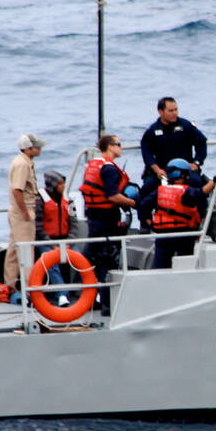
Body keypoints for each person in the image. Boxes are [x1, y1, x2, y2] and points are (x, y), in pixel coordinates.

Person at [80, 134, 136, 314]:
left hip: (93, 217)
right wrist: (134, 203)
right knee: (108, 259)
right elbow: (113, 196)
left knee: (91, 257)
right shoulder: (109, 168)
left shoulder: (93, 164)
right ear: (110, 147)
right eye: (119, 144)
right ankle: (106, 303)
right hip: (106, 218)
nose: (121, 147)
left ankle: (87, 298)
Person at [151, 159, 216, 269]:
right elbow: (201, 193)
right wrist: (214, 181)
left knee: (161, 265)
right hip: (184, 234)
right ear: (185, 175)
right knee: (186, 262)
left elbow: (143, 206)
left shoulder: (159, 191)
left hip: (162, 235)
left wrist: (150, 224)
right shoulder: (186, 191)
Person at [139, 96, 209, 204]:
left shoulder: (186, 125)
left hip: (186, 170)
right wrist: (157, 169)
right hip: (163, 171)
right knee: (147, 188)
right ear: (161, 112)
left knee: (197, 184)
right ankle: (146, 219)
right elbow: (146, 152)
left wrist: (197, 162)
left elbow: (201, 142)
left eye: (176, 110)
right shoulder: (152, 131)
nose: (175, 113)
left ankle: (200, 217)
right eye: (171, 111)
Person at [4, 132, 44, 288]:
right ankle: (30, 288)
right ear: (28, 149)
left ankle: (9, 285)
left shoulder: (23, 161)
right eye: (36, 147)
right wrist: (25, 213)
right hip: (23, 211)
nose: (40, 149)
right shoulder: (22, 164)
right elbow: (17, 190)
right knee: (26, 250)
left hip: (17, 211)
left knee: (14, 250)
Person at [34, 169, 77, 307]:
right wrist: (51, 244)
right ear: (53, 185)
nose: (63, 186)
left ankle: (87, 292)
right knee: (51, 262)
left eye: (63, 183)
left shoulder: (68, 200)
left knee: (81, 259)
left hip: (66, 240)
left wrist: (69, 241)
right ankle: (62, 294)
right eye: (60, 184)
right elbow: (38, 227)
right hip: (47, 241)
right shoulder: (40, 200)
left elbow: (74, 223)